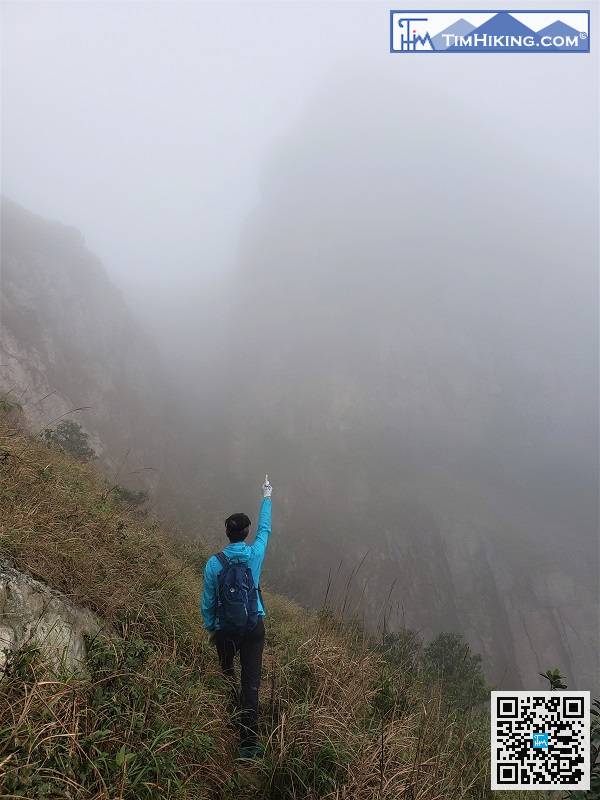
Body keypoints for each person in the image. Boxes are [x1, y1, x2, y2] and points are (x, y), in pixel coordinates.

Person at [201, 474, 273, 759]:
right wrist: (267, 496)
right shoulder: (255, 554)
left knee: (227, 671)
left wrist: (212, 627)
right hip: (254, 626)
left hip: (225, 630)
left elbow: (208, 601)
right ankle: (248, 744)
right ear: (245, 533)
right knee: (251, 683)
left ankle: (228, 714)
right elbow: (266, 529)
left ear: (227, 533)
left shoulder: (214, 563)